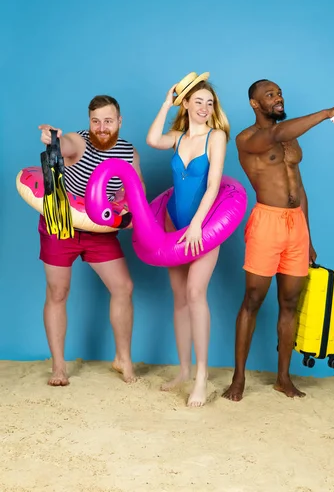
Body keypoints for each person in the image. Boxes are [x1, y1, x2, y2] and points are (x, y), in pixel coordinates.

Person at [222, 79, 334, 400]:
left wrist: (308, 235)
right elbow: (273, 135)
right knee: (253, 301)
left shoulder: (293, 141)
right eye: (269, 95)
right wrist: (329, 112)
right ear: (255, 104)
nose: (278, 98)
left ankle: (283, 378)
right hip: (266, 224)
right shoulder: (247, 139)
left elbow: (299, 190)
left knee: (290, 303)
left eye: (279, 93)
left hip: (295, 226)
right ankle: (238, 379)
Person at [38, 95, 145, 387]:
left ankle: (122, 357)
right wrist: (55, 140)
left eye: (108, 121)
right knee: (58, 292)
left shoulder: (128, 152)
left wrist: (131, 217)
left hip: (99, 228)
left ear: (119, 122)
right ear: (89, 122)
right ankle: (59, 367)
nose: (101, 127)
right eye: (95, 121)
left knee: (124, 287)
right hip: (61, 221)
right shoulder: (80, 141)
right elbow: (66, 143)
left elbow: (137, 194)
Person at [146, 72, 229, 407]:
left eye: (210, 103)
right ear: (187, 105)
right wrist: (168, 103)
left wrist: (196, 225)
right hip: (173, 225)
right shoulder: (177, 137)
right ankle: (182, 369)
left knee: (196, 293)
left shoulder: (216, 137)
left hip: (204, 227)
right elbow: (152, 139)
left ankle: (202, 375)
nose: (205, 108)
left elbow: (212, 186)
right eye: (199, 102)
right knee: (179, 298)